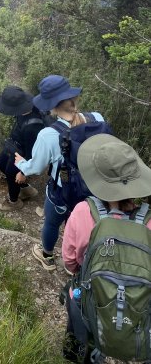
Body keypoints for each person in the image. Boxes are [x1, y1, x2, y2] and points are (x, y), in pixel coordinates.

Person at [61, 134, 151, 363]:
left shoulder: (82, 212)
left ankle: (80, 353)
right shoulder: (149, 221)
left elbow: (69, 262)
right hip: (140, 307)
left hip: (92, 302)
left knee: (75, 297)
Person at [14, 75, 105, 271]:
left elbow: (36, 168)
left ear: (51, 107)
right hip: (96, 191)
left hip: (63, 193)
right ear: (74, 98)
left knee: (52, 223)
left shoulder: (49, 135)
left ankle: (47, 256)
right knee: (88, 228)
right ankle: (77, 263)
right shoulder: (98, 118)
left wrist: (22, 164)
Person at [0, 86, 45, 211]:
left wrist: (23, 172)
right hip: (16, 145)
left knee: (11, 174)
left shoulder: (32, 127)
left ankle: (14, 202)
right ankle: (26, 189)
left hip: (23, 153)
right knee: (0, 163)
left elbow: (31, 153)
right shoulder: (25, 109)